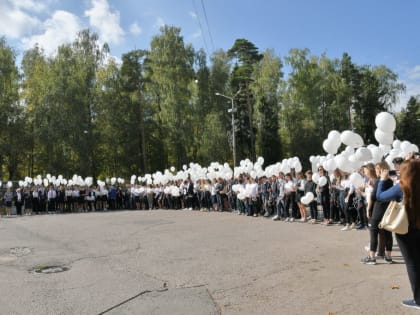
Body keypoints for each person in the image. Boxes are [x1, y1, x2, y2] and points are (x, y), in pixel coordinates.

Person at [377, 155, 420, 310]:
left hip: (405, 229)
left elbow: (380, 196)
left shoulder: (402, 186)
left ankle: (419, 300)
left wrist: (382, 180)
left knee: (412, 263)